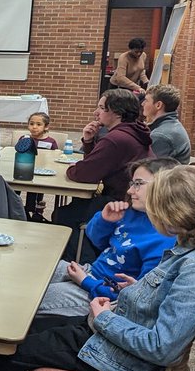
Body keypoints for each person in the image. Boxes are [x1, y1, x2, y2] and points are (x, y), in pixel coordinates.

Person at [0, 164, 195, 371]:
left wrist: (104, 319)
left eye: (159, 207)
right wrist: (144, 292)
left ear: (179, 210)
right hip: (117, 328)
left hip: (121, 354)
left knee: (2, 349)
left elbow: (162, 348)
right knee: (27, 331)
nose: (154, 212)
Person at [36, 157, 178, 317]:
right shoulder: (132, 213)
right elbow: (96, 241)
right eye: (132, 184)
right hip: (91, 272)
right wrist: (105, 220)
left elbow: (133, 297)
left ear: (165, 187)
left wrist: (85, 281)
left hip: (101, 297)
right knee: (32, 268)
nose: (130, 191)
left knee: (31, 298)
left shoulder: (164, 240)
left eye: (138, 184)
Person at [54, 90, 153, 252]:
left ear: (116, 112)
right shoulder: (134, 131)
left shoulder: (115, 139)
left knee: (64, 214)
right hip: (136, 198)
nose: (96, 112)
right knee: (77, 205)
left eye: (101, 108)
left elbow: (84, 174)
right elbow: (99, 164)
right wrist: (89, 141)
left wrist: (70, 169)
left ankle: (81, 259)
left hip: (122, 201)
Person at [19, 111, 58, 221]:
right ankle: (20, 210)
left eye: (38, 124)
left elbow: (54, 157)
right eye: (31, 124)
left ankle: (36, 212)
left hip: (41, 173)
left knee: (36, 193)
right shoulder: (24, 139)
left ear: (46, 127)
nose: (34, 127)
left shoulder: (51, 142)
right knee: (16, 191)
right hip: (23, 170)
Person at [143, 84, 191, 164]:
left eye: (146, 100)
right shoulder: (172, 125)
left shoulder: (160, 135)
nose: (143, 104)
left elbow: (151, 169)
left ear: (158, 105)